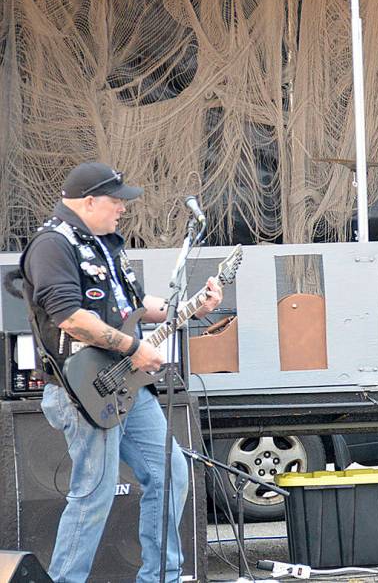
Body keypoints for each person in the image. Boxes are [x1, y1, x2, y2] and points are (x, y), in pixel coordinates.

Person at [19, 162, 223, 583]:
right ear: (89, 201)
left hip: (124, 384)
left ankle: (161, 577)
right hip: (83, 390)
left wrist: (190, 307)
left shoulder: (106, 242)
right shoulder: (51, 246)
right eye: (116, 201)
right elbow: (70, 318)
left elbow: (131, 305)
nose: (122, 209)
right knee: (94, 494)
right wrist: (134, 348)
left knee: (169, 473)